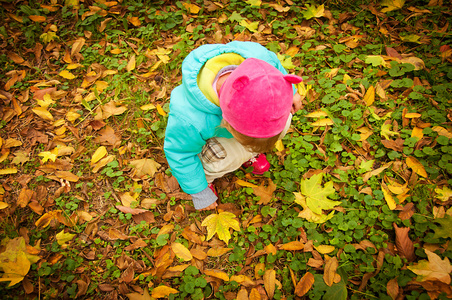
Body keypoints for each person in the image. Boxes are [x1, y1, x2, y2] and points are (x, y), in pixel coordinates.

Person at [164, 41, 303, 211]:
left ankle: (247, 150)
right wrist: (198, 191)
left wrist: (291, 92)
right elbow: (180, 153)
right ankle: (206, 177)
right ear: (226, 121)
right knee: (220, 158)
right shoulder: (189, 119)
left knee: (285, 119)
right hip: (212, 137)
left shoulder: (259, 57)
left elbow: (275, 69)